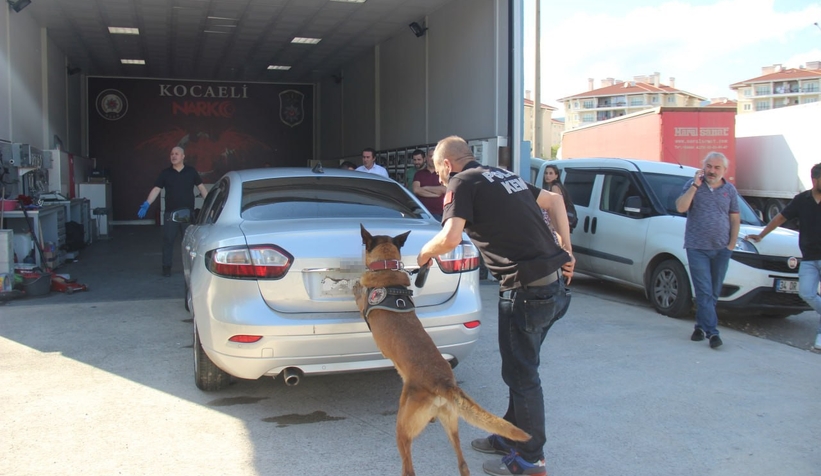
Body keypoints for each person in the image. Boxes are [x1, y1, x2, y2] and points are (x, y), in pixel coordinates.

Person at [416, 136, 574, 476]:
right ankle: (509, 436)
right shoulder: (504, 175)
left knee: (522, 375)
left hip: (527, 291)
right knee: (520, 368)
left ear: (447, 164)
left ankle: (531, 459)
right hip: (552, 289)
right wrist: (568, 248)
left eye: (436, 169)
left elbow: (450, 237)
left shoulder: (461, 182)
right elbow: (556, 203)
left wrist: (425, 253)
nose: (438, 177)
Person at [747, 163, 821, 350]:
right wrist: (762, 235)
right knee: (806, 293)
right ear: (814, 179)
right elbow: (780, 218)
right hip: (810, 258)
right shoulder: (802, 200)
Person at [675, 151, 740, 349]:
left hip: (721, 249)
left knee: (713, 293)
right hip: (697, 248)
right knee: (704, 291)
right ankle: (713, 333)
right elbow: (680, 207)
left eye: (717, 167)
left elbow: (735, 218)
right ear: (704, 167)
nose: (712, 171)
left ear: (724, 170)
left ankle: (700, 327)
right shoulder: (693, 185)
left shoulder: (730, 190)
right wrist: (695, 186)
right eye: (709, 166)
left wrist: (731, 245)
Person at [137, 146, 208, 277]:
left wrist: (210, 204)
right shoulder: (165, 173)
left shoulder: (191, 172)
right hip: (170, 214)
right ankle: (166, 268)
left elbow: (202, 188)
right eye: (171, 154)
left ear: (183, 156)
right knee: (168, 241)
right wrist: (147, 203)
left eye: (176, 154)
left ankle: (193, 267)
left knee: (189, 242)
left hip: (187, 214)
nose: (173, 156)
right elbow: (156, 189)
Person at [412, 149, 446, 221]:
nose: (432, 158)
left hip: (439, 213)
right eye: (430, 156)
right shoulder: (419, 174)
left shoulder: (443, 173)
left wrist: (425, 188)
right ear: (426, 158)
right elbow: (416, 190)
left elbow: (444, 189)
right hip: (422, 213)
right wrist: (436, 194)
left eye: (435, 156)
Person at [543, 164, 577, 232]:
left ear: (556, 176)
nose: (547, 176)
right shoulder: (557, 186)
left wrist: (551, 225)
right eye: (546, 173)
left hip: (557, 222)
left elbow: (556, 208)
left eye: (551, 173)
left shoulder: (555, 187)